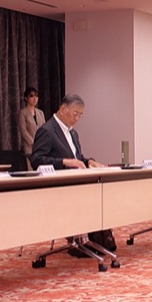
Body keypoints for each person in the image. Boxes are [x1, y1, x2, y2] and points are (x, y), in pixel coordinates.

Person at [29, 94, 115, 253]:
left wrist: (89, 162)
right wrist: (64, 162)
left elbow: (77, 158)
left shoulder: (73, 133)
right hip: (58, 188)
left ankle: (97, 240)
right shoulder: (47, 130)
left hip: (76, 185)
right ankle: (83, 241)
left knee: (102, 194)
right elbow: (37, 160)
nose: (77, 118)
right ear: (63, 109)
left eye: (81, 115)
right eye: (75, 113)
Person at [17, 87, 45, 160]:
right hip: (29, 147)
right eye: (31, 96)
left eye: (36, 96)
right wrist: (33, 142)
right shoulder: (22, 113)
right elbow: (23, 131)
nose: (35, 99)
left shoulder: (40, 113)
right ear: (26, 98)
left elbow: (44, 129)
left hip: (41, 146)